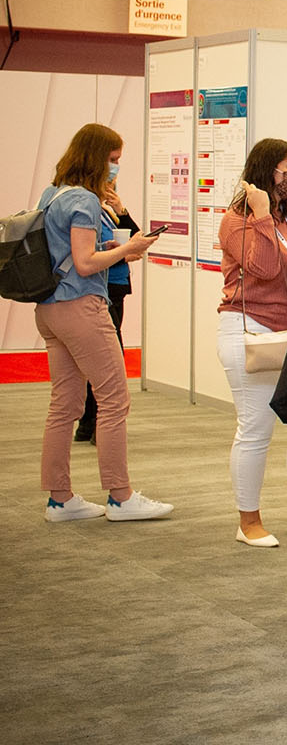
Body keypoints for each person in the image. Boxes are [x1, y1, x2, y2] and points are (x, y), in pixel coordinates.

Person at [35, 123, 173, 523]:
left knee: (64, 404)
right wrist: (127, 248)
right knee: (114, 399)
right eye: (113, 160)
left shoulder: (53, 193)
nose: (115, 167)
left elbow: (71, 252)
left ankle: (60, 498)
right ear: (97, 158)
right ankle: (120, 496)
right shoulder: (84, 199)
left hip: (50, 308)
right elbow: (84, 263)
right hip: (81, 307)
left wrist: (112, 248)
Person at [217, 138, 287, 548]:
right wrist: (261, 214)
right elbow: (262, 266)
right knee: (256, 430)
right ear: (266, 172)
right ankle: (248, 522)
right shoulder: (235, 221)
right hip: (249, 332)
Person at [74, 179, 136, 444]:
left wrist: (121, 210)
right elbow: (89, 255)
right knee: (108, 361)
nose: (114, 183)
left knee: (105, 358)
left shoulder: (107, 212)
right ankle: (98, 424)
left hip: (116, 287)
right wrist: (124, 254)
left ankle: (90, 422)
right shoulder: (86, 212)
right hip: (102, 288)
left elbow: (135, 237)